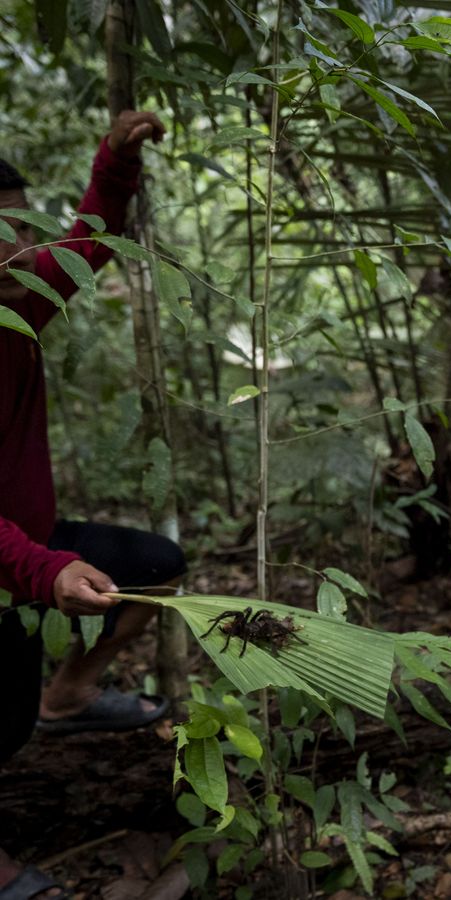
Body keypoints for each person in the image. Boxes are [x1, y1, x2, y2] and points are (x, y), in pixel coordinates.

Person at [0, 110, 185, 900]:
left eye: (18, 226)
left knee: (155, 569)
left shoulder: (21, 301)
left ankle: (68, 695)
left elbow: (87, 242)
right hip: (17, 560)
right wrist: (45, 572)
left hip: (27, 550)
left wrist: (114, 157)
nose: (17, 247)